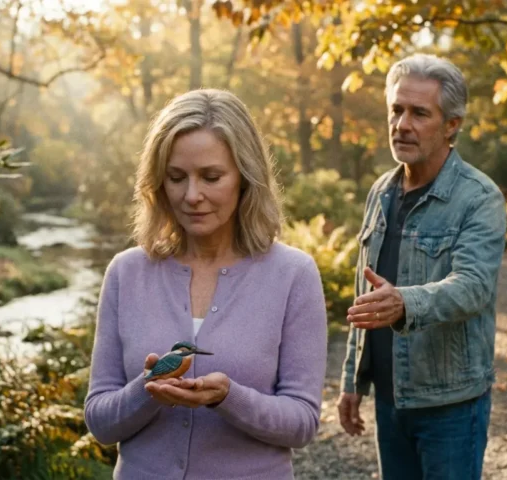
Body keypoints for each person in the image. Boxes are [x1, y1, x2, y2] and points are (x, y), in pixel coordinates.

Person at [84, 89, 328, 479]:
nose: (192, 195)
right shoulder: (126, 273)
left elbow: (301, 422)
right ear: (158, 183)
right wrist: (151, 387)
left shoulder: (293, 274)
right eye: (176, 177)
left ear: (245, 178)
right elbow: (100, 422)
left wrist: (229, 397)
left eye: (211, 177)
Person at [337, 53, 507, 479]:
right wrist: (352, 381)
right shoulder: (381, 191)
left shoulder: (479, 197)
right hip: (390, 398)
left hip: (450, 404)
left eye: (419, 113)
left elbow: (473, 286)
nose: (402, 124)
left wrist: (404, 303)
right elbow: (365, 293)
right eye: (396, 110)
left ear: (452, 125)